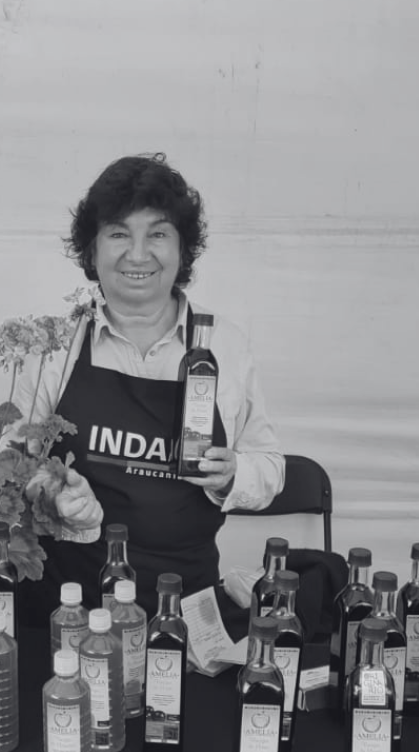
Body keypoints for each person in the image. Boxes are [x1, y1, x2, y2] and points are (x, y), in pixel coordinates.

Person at [15, 153, 285, 622]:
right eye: (119, 234)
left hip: (184, 607)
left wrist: (232, 476)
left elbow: (270, 468)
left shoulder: (225, 345)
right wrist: (51, 494)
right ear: (92, 250)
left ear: (183, 251)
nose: (138, 254)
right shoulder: (55, 345)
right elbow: (14, 464)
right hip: (69, 605)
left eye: (157, 234)